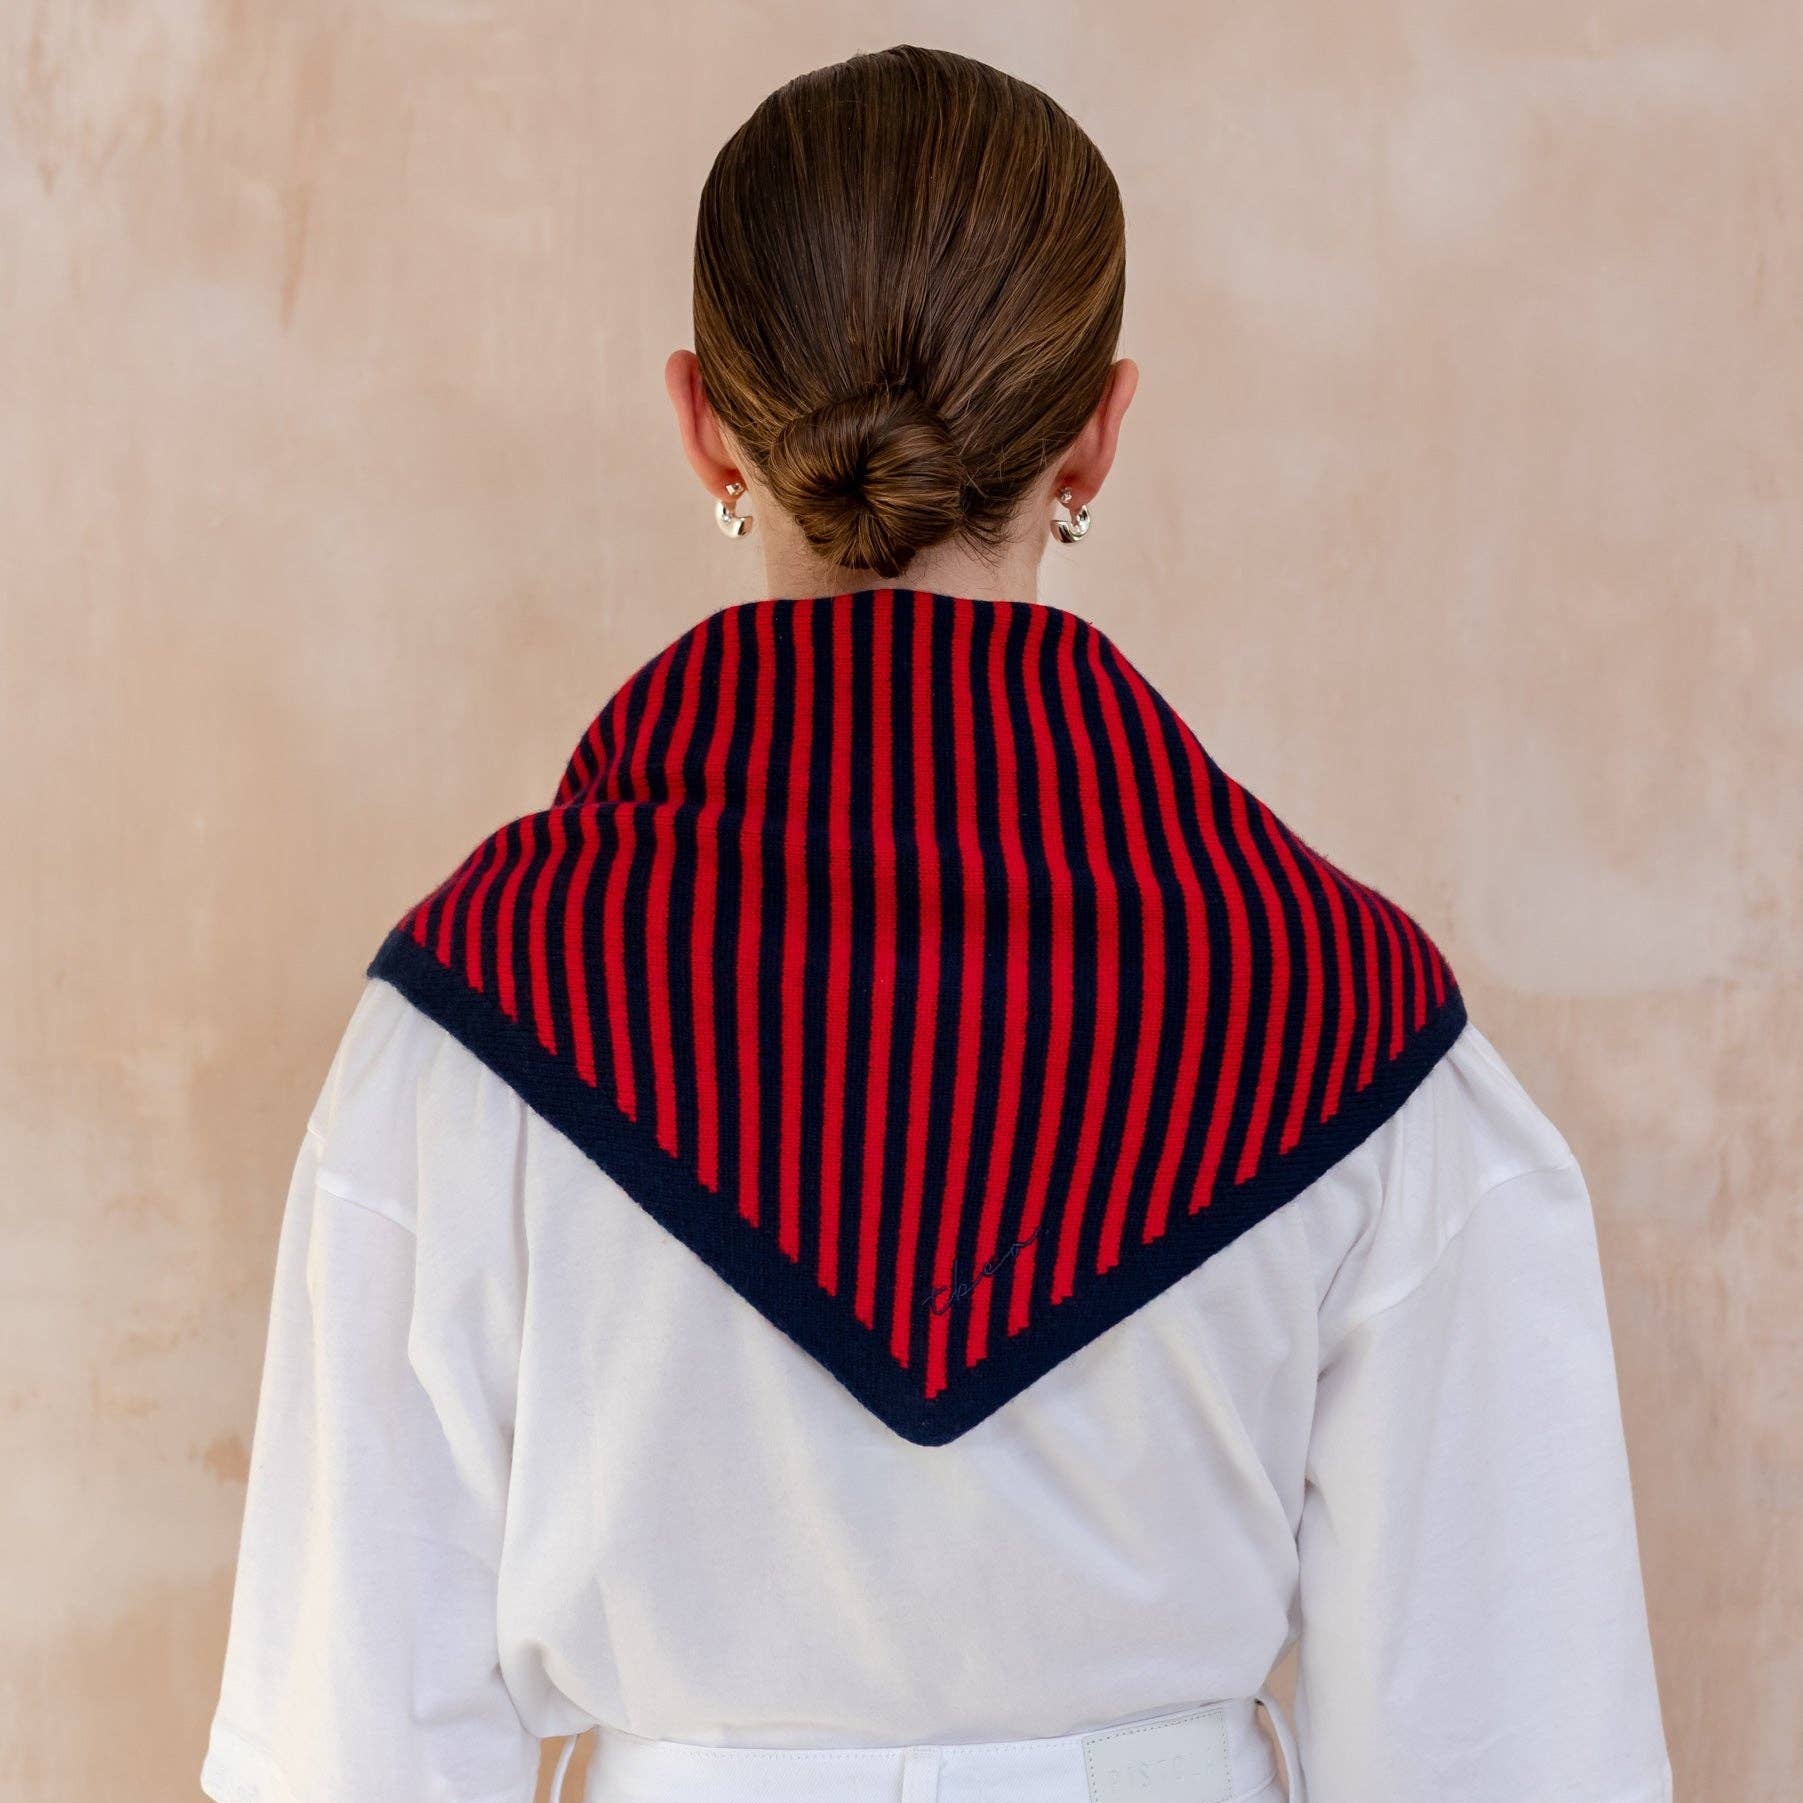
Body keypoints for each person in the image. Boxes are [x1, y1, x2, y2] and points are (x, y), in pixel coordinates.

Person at [199, 44, 1672, 1803]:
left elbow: (352, 1754)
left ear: (701, 423)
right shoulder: (1355, 1027)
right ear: (1098, 431)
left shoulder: (470, 1025)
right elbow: (1510, 1748)